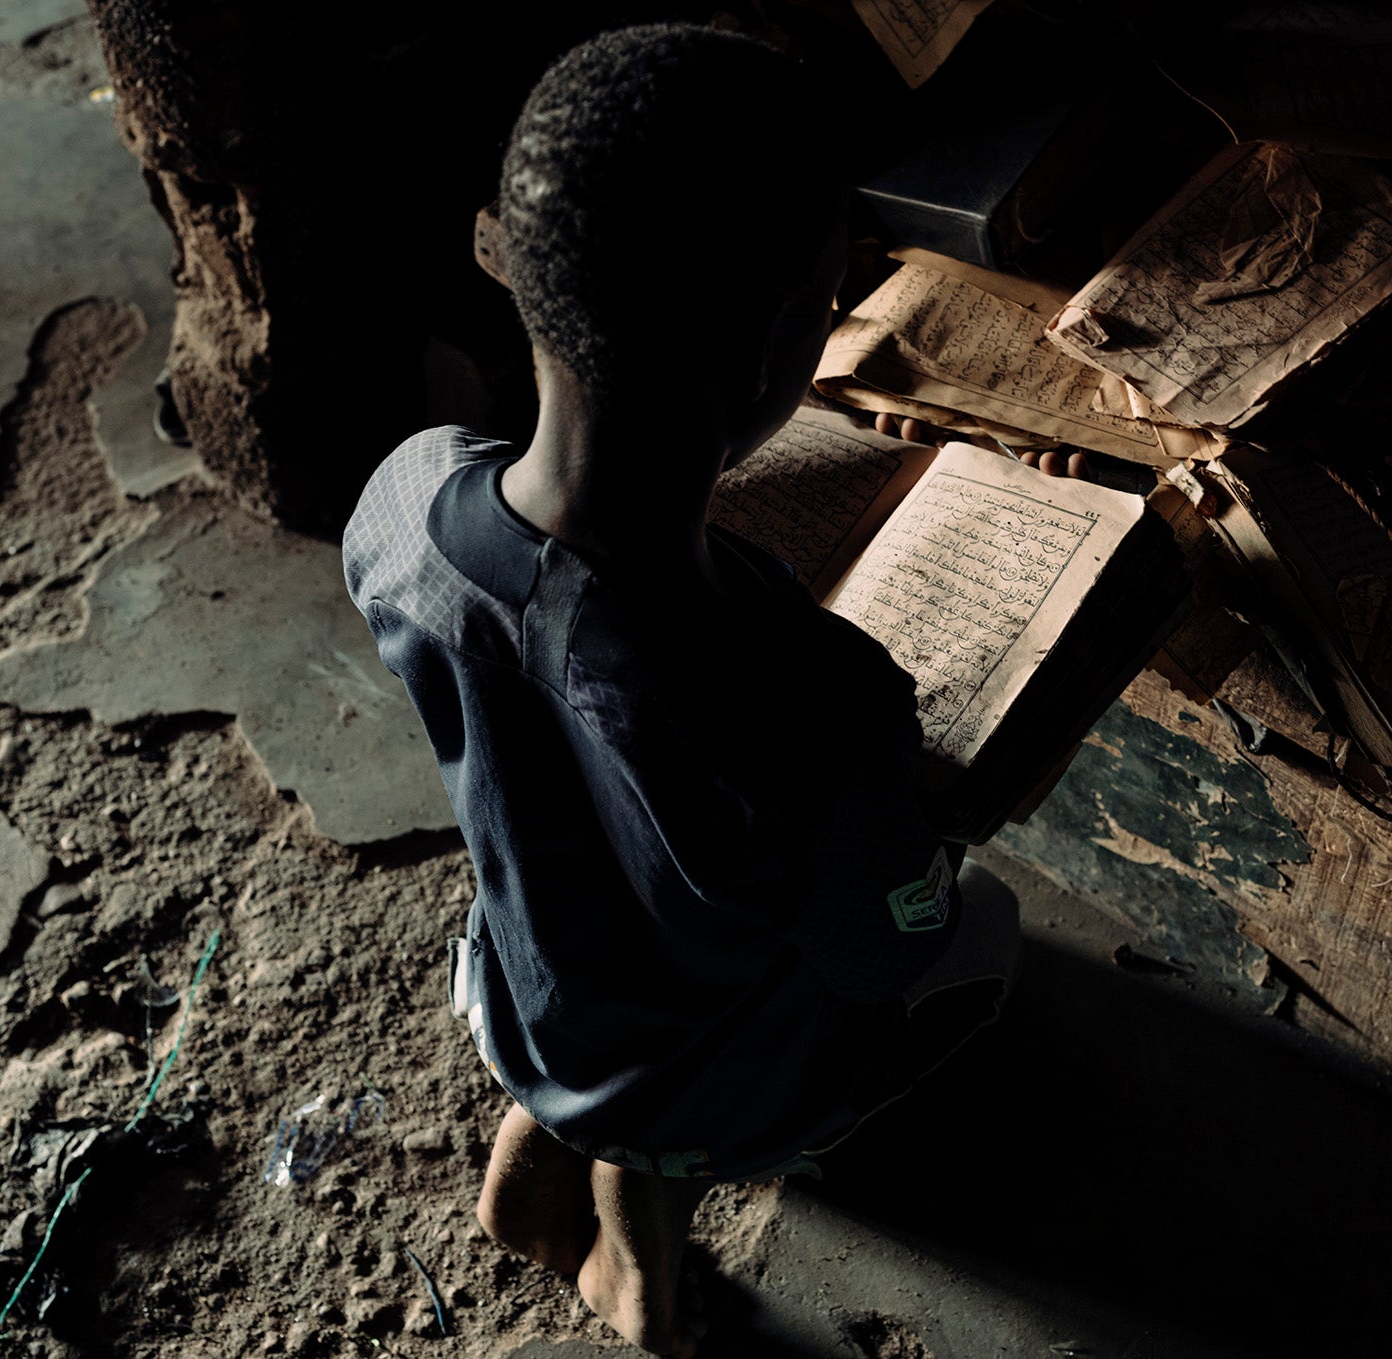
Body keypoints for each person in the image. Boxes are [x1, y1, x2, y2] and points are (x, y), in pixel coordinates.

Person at [343, 24, 1056, 1354]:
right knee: (987, 939)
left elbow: (576, 672)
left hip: (524, 987)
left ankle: (560, 1133)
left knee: (622, 949)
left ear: (511, 259)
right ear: (794, 333)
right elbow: (880, 945)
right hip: (711, 1072)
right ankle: (640, 1253)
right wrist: (954, 818)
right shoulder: (811, 699)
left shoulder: (402, 501)